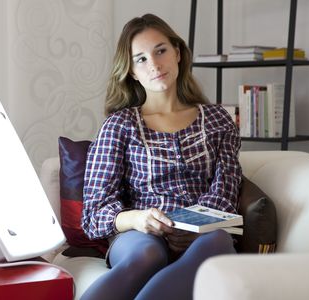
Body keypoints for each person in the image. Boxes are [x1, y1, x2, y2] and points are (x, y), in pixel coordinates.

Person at [81, 13, 242, 300]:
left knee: (217, 241)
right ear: (131, 70)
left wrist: (194, 226)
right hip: (140, 234)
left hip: (204, 232)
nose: (154, 64)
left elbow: (225, 192)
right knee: (147, 254)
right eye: (141, 58)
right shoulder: (120, 125)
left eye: (160, 51)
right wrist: (138, 219)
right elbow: (94, 213)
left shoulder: (219, 119)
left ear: (177, 53)